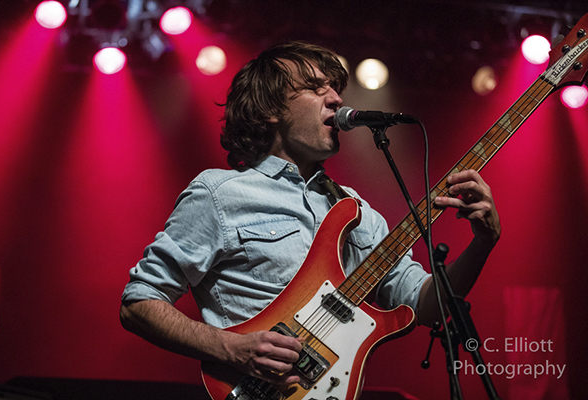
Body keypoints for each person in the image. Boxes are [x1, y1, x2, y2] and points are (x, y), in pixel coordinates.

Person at [120, 41, 500, 387]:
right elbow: (139, 302)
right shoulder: (220, 193)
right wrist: (231, 348)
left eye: (335, 88)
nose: (336, 99)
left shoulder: (358, 212)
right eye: (317, 88)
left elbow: (428, 305)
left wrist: (483, 242)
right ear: (270, 109)